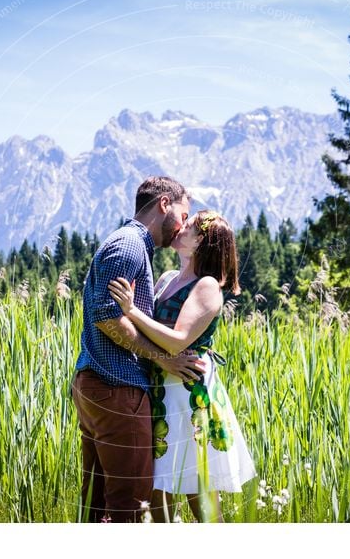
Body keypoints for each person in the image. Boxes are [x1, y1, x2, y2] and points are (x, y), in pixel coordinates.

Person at [72, 176, 205, 523]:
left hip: (100, 383)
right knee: (129, 505)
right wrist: (165, 359)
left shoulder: (130, 244)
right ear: (164, 204)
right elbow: (106, 316)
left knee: (97, 504)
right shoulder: (129, 245)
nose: (181, 226)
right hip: (116, 384)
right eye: (183, 213)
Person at [108, 209, 256, 522]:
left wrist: (131, 310)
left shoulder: (207, 286)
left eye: (188, 226)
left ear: (202, 241)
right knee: (159, 486)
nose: (179, 226)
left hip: (189, 396)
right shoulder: (167, 279)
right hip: (161, 391)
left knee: (197, 488)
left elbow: (177, 341)